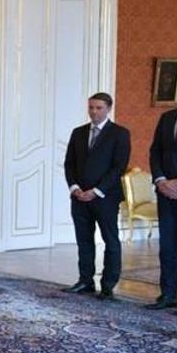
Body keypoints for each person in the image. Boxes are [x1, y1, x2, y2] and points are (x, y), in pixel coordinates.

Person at [62, 92, 132, 300]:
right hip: (79, 197)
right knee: (84, 241)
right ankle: (85, 281)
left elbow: (118, 167)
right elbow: (69, 164)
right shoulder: (78, 133)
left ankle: (108, 286)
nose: (94, 112)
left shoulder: (120, 134)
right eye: (91, 107)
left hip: (105, 197)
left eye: (98, 108)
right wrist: (75, 188)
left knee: (110, 240)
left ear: (108, 108)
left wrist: (96, 191)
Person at [146, 71, 177, 316]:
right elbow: (155, 151)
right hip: (166, 194)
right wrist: (161, 180)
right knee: (167, 246)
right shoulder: (168, 117)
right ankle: (168, 295)